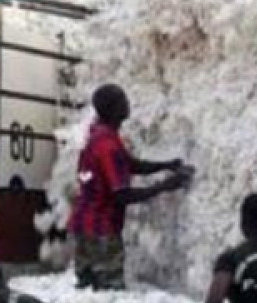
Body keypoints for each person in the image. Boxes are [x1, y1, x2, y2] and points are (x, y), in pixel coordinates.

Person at [68, 84, 192, 290]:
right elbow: (122, 195)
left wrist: (165, 165)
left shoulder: (100, 137)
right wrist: (164, 186)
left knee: (89, 293)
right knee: (108, 292)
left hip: (85, 225)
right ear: (112, 108)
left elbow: (130, 165)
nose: (127, 104)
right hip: (101, 230)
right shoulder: (107, 145)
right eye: (122, 101)